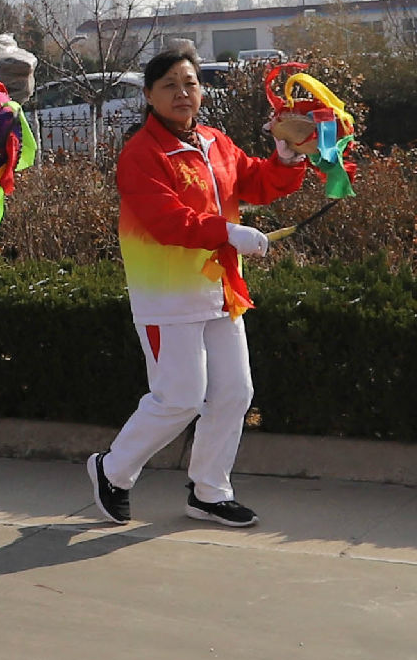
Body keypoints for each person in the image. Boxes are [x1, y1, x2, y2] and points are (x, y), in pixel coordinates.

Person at [88, 44, 320, 530]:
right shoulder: (141, 154)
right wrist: (230, 233)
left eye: (190, 83)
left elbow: (257, 183)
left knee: (234, 392)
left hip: (221, 290)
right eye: (169, 85)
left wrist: (285, 157)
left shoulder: (215, 142)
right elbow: (166, 220)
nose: (182, 93)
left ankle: (210, 491)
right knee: (179, 398)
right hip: (166, 296)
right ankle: (112, 469)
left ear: (201, 91)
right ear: (148, 95)